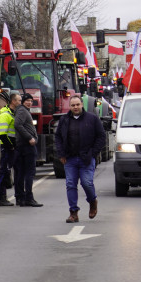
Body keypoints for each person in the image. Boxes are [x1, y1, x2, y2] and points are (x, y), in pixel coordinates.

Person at [54, 95, 106, 223]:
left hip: (86, 158)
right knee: (70, 184)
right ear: (69, 106)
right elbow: (58, 137)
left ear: (82, 104)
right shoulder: (64, 120)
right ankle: (73, 213)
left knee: (86, 183)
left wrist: (93, 153)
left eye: (77, 104)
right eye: (73, 105)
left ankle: (92, 201)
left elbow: (101, 137)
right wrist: (61, 154)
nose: (75, 107)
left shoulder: (92, 119)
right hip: (70, 159)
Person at [12, 93, 43, 207]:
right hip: (26, 146)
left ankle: (21, 198)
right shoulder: (22, 111)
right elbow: (17, 124)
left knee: (21, 173)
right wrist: (29, 137)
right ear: (22, 101)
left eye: (31, 101)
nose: (29, 102)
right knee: (29, 173)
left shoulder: (23, 110)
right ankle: (28, 198)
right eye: (27, 101)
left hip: (22, 145)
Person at [0, 92, 19, 206]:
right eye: (18, 101)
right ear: (13, 102)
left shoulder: (12, 114)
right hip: (7, 148)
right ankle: (2, 198)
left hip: (11, 148)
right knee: (4, 172)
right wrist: (11, 147)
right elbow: (2, 134)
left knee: (8, 172)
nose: (20, 102)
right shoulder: (5, 115)